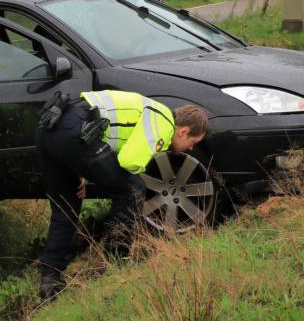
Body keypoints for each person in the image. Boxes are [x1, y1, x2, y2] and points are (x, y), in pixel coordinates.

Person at [34, 90, 210, 300]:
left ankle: (50, 278)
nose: (190, 149)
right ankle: (116, 260)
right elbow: (129, 162)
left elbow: (108, 146)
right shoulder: (162, 120)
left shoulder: (148, 108)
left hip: (49, 129)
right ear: (183, 131)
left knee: (66, 207)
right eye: (194, 142)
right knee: (133, 189)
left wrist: (84, 171)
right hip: (74, 132)